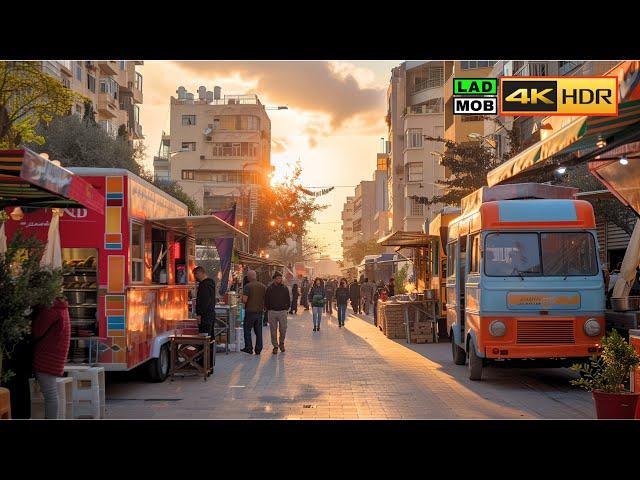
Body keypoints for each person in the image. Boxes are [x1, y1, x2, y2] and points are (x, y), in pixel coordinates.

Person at [32, 296, 71, 419]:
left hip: (47, 357)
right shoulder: (61, 307)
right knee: (51, 393)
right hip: (55, 356)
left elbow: (37, 331)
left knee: (50, 394)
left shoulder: (50, 309)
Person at [264, 271, 291, 354]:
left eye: (280, 278)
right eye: (277, 278)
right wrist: (268, 308)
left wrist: (287, 308)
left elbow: (288, 299)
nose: (279, 279)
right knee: (273, 330)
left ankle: (281, 343)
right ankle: (275, 346)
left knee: (283, 328)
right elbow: (266, 299)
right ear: (274, 279)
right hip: (272, 311)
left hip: (282, 311)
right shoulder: (269, 288)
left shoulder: (284, 288)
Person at [241, 269, 266, 355]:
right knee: (259, 332)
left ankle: (249, 348)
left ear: (248, 277)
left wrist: (241, 299)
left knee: (247, 330)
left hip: (250, 312)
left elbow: (244, 300)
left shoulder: (247, 286)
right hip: (259, 312)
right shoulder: (263, 286)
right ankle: (258, 349)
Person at [194, 266, 216, 336]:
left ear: (200, 273)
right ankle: (209, 347)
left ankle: (205, 347)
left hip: (205, 316)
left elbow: (204, 301)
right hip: (210, 314)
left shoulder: (204, 285)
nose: (195, 277)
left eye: (196, 274)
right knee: (210, 336)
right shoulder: (210, 283)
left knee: (204, 337)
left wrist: (199, 314)